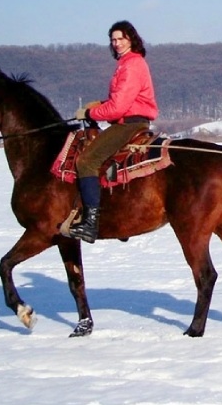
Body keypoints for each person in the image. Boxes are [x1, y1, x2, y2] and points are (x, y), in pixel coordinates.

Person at [68, 21, 159, 243]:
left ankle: (90, 223)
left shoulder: (132, 65)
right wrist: (97, 106)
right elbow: (118, 102)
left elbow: (118, 107)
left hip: (129, 124)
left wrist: (91, 114)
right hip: (129, 120)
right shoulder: (127, 63)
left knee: (86, 161)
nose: (116, 43)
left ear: (131, 39)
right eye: (113, 40)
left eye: (121, 39)